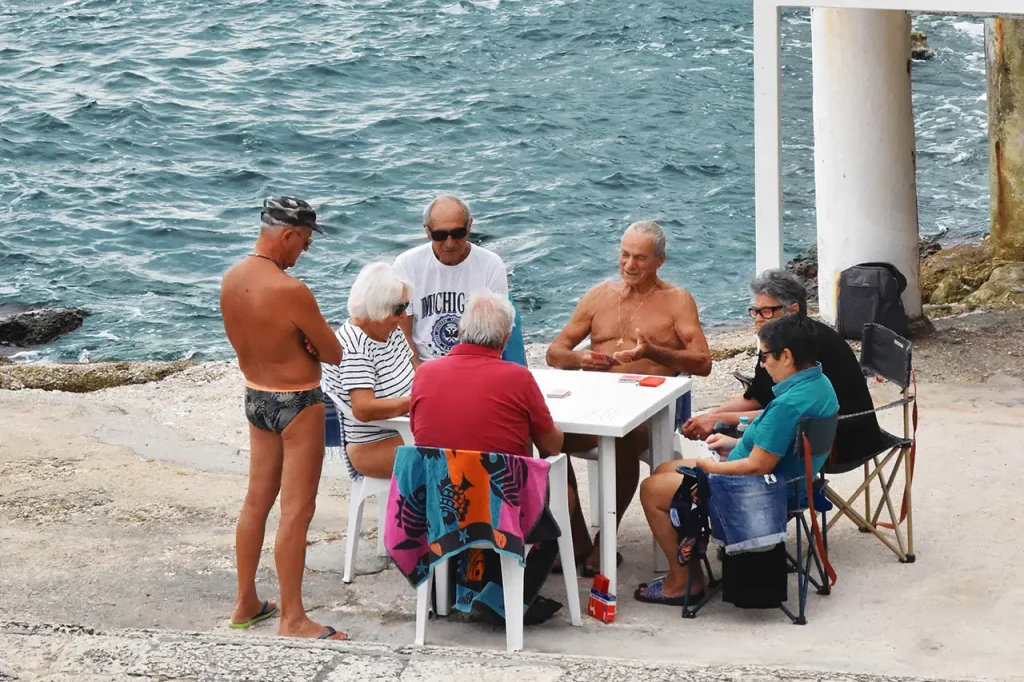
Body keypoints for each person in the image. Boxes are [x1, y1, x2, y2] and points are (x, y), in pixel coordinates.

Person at [545, 220, 712, 575]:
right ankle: (575, 537)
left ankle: (605, 541)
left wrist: (655, 352)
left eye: (640, 257)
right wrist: (581, 359)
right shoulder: (599, 296)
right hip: (594, 402)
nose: (629, 264)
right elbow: (555, 353)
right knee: (548, 438)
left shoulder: (676, 301)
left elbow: (703, 362)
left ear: (660, 260)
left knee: (618, 438)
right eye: (624, 255)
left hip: (645, 413)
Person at [636, 314, 839, 605]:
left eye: (765, 356)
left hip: (761, 491)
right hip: (794, 480)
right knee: (665, 469)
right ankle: (692, 551)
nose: (763, 364)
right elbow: (776, 442)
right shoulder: (820, 385)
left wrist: (709, 467)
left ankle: (682, 582)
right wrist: (736, 443)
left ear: (787, 356)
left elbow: (758, 466)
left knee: (652, 490)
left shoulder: (787, 404)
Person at [220, 196, 346, 640]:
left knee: (256, 501)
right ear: (288, 235)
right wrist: (309, 346)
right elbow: (333, 352)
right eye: (305, 242)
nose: (304, 252)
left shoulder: (231, 279)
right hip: (297, 405)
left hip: (256, 398)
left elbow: (251, 340)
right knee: (297, 511)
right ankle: (292, 618)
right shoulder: (292, 290)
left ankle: (246, 603)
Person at [410, 290, 565, 622]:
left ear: (460, 331)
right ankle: (504, 600)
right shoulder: (518, 378)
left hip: (439, 504)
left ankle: (458, 587)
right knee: (547, 534)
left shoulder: (425, 373)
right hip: (497, 507)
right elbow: (552, 445)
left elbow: (420, 432)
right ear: (506, 338)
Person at [681, 269, 883, 467]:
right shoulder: (776, 341)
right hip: (809, 430)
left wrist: (719, 419)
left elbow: (783, 413)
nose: (759, 318)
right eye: (755, 311)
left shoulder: (804, 350)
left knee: (725, 445)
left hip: (839, 441)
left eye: (767, 311)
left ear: (793, 311)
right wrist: (708, 416)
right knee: (724, 433)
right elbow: (757, 396)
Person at [321, 262, 415, 479]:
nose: (404, 315)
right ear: (376, 307)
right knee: (462, 448)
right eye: (398, 308)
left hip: (404, 429)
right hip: (373, 447)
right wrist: (419, 401)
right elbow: (363, 408)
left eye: (406, 305)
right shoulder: (354, 347)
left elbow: (413, 371)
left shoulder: (389, 330)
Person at [394, 195, 509, 366]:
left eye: (458, 233)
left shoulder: (491, 265)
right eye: (440, 235)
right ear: (427, 231)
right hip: (425, 366)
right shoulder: (407, 265)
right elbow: (403, 333)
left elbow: (496, 337)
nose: (449, 243)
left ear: (469, 226)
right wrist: (420, 373)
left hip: (475, 366)